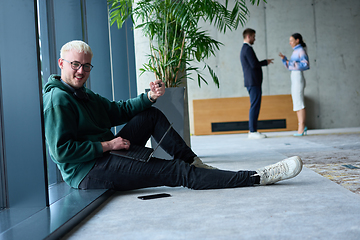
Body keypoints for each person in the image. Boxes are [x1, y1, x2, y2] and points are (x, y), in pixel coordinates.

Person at [43, 40, 303, 192]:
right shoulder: (59, 99)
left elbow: (117, 110)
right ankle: (256, 177)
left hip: (106, 154)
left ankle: (196, 164)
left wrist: (149, 97)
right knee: (177, 172)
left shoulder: (82, 94)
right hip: (88, 171)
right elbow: (61, 152)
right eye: (75, 65)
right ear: (61, 63)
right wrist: (107, 145)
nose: (81, 71)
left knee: (150, 115)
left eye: (85, 66)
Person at [240, 28, 274, 139]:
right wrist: (265, 62)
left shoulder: (245, 49)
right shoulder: (247, 49)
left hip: (252, 82)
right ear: (248, 36)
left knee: (255, 105)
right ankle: (253, 131)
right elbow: (254, 64)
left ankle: (253, 130)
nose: (255, 39)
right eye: (253, 36)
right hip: (253, 82)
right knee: (255, 106)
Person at [279, 33, 310, 136]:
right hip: (294, 77)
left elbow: (305, 64)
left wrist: (290, 62)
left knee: (299, 102)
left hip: (298, 77)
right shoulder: (295, 51)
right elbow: (290, 66)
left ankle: (302, 126)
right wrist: (285, 60)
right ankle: (301, 126)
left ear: (297, 40)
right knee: (296, 102)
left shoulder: (301, 50)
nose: (290, 43)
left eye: (292, 40)